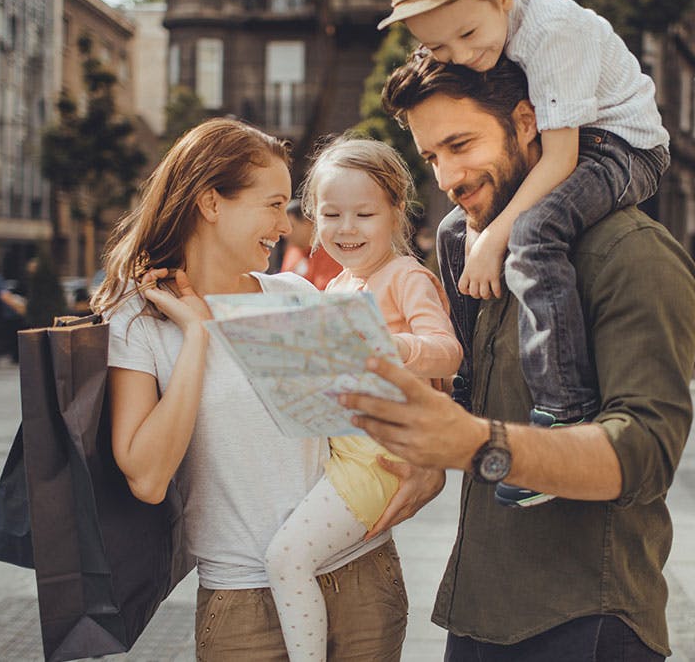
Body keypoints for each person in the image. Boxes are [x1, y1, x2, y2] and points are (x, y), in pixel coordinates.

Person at [339, 55, 695, 660]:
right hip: (478, 612)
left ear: (528, 121)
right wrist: (428, 445)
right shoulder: (464, 246)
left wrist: (475, 445)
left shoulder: (631, 254)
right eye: (432, 157)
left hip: (588, 620)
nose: (448, 175)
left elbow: (645, 452)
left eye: (461, 143)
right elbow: (469, 395)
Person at [91, 119, 420, 661]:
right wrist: (198, 335)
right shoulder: (140, 320)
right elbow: (147, 478)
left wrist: (423, 467)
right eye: (272, 205)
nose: (284, 226)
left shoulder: (292, 294)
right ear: (211, 203)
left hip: (361, 575)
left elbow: (367, 423)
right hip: (243, 600)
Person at [379, 0, 671, 507]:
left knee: (535, 233)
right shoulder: (485, 43)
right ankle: (467, 389)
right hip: (577, 140)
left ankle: (564, 407)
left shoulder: (552, 33)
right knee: (450, 231)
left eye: (466, 36)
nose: (460, 56)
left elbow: (561, 156)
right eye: (437, 47)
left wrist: (493, 240)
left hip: (621, 146)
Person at [264, 136, 463, 662]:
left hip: (378, 460)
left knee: (286, 558)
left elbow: (448, 352)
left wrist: (391, 343)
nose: (346, 228)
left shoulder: (405, 276)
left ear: (396, 211)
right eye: (331, 214)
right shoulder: (337, 288)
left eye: (364, 213)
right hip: (342, 450)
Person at [280, 198, 343, 290]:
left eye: (291, 226)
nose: (285, 234)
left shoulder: (332, 251)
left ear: (308, 222)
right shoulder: (292, 252)